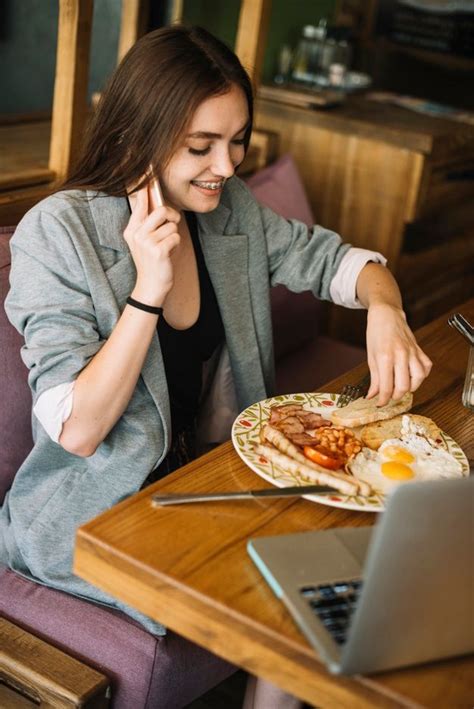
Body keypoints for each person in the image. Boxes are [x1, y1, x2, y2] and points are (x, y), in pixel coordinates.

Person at [1, 24, 431, 707]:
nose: (226, 167)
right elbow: (78, 428)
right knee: (298, 590)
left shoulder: (229, 212)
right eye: (200, 146)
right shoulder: (59, 233)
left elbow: (338, 262)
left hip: (205, 485)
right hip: (95, 518)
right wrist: (147, 284)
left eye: (236, 142)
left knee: (351, 547)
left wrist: (387, 309)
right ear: (141, 133)